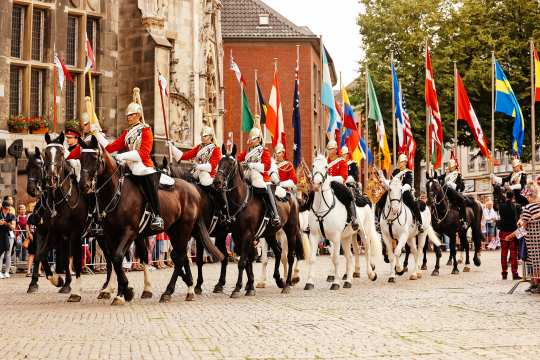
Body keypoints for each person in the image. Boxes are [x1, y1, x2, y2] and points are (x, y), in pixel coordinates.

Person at [102, 97, 164, 231]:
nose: (128, 118)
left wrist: (122, 156)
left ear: (138, 115)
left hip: (144, 167)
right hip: (130, 166)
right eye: (127, 115)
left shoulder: (146, 130)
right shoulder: (127, 132)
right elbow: (111, 148)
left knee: (149, 185)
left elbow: (143, 153)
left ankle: (157, 215)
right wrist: (98, 135)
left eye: (131, 115)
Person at [237, 127, 281, 227]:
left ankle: (274, 214)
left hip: (261, 176)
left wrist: (252, 165)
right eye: (251, 139)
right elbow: (238, 159)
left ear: (258, 139)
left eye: (253, 139)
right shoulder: (247, 151)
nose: (251, 141)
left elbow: (267, 167)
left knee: (260, 182)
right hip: (248, 174)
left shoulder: (264, 151)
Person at [377, 153, 424, 232]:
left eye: (402, 162)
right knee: (381, 201)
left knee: (413, 203)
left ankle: (420, 222)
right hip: (394, 191)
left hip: (404, 191)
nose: (400, 163)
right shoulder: (395, 171)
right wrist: (382, 178)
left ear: (405, 162)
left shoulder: (408, 172)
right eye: (400, 162)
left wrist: (401, 189)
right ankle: (378, 221)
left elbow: (408, 184)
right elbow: (390, 183)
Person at [326, 140, 359, 230]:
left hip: (338, 186)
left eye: (331, 149)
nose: (329, 151)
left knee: (348, 195)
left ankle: (353, 218)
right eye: (328, 149)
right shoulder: (325, 162)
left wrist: (331, 179)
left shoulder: (341, 162)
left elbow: (343, 177)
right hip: (326, 186)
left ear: (336, 150)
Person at [438, 159, 472, 228]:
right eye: (449, 167)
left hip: (455, 194)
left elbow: (461, 187)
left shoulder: (458, 174)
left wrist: (451, 184)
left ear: (454, 167)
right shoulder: (446, 174)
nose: (450, 168)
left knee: (463, 201)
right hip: (445, 193)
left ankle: (463, 220)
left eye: (451, 167)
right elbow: (438, 178)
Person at [497, 191, 520, 280]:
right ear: (513, 197)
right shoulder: (515, 206)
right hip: (513, 232)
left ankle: (504, 273)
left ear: (506, 196)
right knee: (514, 253)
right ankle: (514, 273)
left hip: (503, 232)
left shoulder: (501, 206)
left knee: (504, 253)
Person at [0, 199, 16, 279]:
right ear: (2, 207)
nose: (7, 210)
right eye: (6, 208)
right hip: (0, 235)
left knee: (8, 254)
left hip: (9, 235)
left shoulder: (12, 215)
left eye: (8, 208)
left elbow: (13, 227)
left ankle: (6, 271)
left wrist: (6, 223)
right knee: (1, 254)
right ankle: (0, 272)